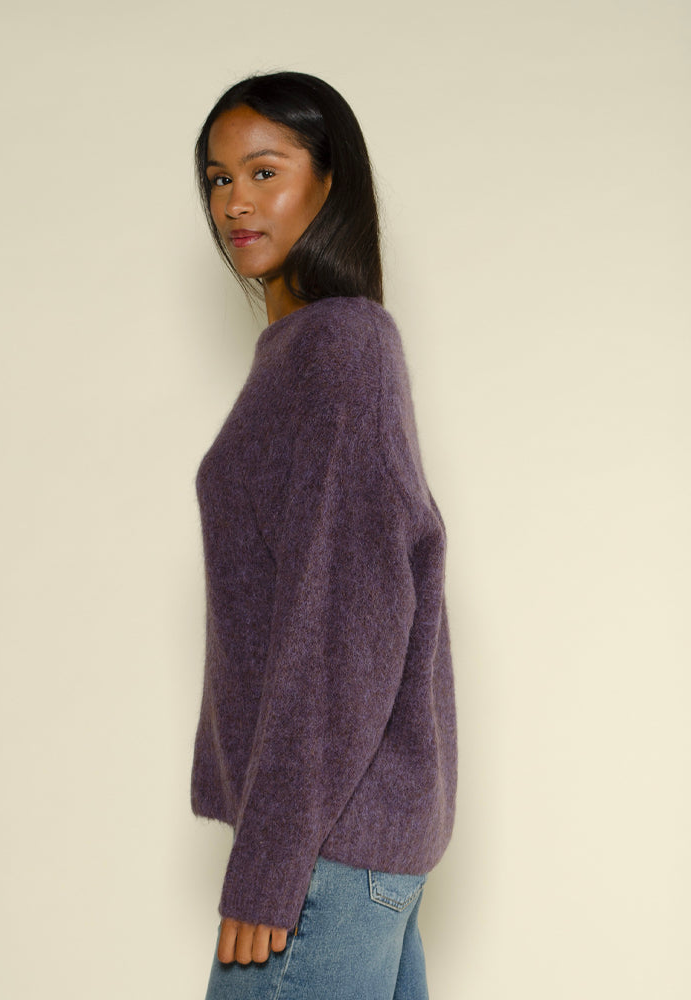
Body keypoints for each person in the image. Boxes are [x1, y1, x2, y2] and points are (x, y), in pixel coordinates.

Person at [190, 71, 457, 1000]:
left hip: (326, 847)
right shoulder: (305, 352)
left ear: (331, 182)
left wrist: (272, 858)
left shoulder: (341, 350)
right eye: (219, 179)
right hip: (354, 838)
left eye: (265, 171)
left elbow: (346, 627)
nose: (236, 201)